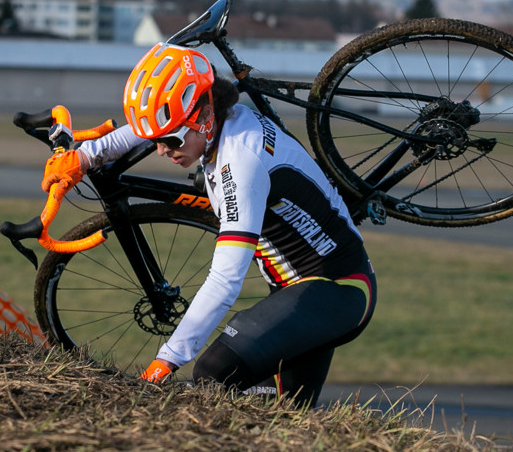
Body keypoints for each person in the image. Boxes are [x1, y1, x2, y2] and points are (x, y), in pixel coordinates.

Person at [40, 42, 377, 406]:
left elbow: (225, 279)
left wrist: (166, 360)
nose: (161, 150)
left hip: (335, 288)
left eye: (168, 141)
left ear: (201, 117)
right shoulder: (219, 118)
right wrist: (86, 157)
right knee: (289, 413)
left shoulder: (240, 163)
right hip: (300, 288)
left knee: (215, 371)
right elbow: (148, 128)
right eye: (156, 140)